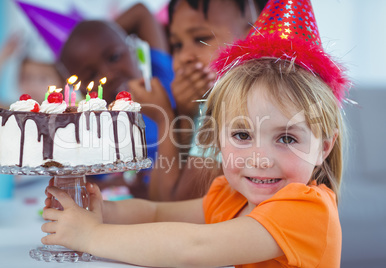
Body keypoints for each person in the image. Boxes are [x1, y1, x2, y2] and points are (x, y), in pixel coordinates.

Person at [41, 1, 349, 266]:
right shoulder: (232, 195)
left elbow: (195, 248)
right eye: (242, 135)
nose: (260, 158)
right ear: (217, 137)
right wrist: (104, 212)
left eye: (286, 139)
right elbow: (158, 212)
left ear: (323, 147)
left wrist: (93, 235)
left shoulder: (306, 211)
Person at [130, 0, 268, 201]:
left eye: (201, 39)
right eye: (177, 45)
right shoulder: (203, 104)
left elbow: (173, 208)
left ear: (252, 36)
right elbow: (157, 199)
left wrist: (165, 118)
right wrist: (185, 113)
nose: (184, 56)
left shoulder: (239, 108)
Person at [57, 4, 175, 196]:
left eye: (113, 56)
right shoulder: (97, 128)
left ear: (132, 49)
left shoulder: (160, 76)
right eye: (92, 74)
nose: (108, 75)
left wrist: (103, 32)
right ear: (81, 90)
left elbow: (141, 13)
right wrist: (122, 184)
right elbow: (83, 182)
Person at [0, 33, 64, 112]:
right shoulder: (18, 112)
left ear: (61, 81)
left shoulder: (68, 112)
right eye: (27, 78)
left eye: (43, 79)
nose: (33, 85)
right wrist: (0, 58)